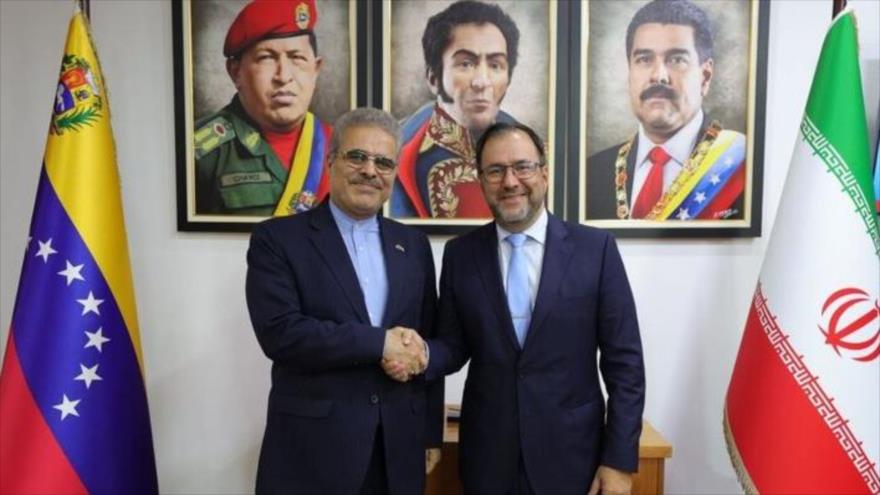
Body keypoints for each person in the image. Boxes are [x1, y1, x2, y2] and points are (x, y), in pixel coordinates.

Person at [386, 122, 645, 494]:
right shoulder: (460, 255)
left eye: (522, 167)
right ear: (480, 181)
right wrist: (421, 353)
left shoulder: (596, 250)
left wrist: (618, 461)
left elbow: (626, 365)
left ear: (544, 173)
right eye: (495, 170)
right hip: (488, 459)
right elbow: (454, 346)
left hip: (574, 459)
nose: (510, 181)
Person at [246, 108, 443, 493]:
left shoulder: (414, 245)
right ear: (331, 160)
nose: (370, 170)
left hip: (398, 449)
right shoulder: (277, 240)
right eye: (357, 156)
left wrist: (429, 432)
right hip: (312, 451)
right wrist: (380, 343)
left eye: (383, 162)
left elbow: (426, 343)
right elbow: (282, 334)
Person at [586, 0, 746, 221]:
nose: (659, 76)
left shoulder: (740, 167)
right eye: (644, 59)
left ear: (705, 76)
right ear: (630, 71)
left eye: (677, 59)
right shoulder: (592, 173)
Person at [195, 0, 332, 217]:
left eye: (297, 58)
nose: (283, 76)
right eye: (266, 58)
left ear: (315, 70)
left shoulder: (339, 145)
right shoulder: (200, 152)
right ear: (236, 72)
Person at [390, 0, 520, 219]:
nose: (482, 82)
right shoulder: (398, 148)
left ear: (508, 79)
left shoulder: (533, 151)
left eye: (495, 65)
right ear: (433, 78)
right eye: (466, 64)